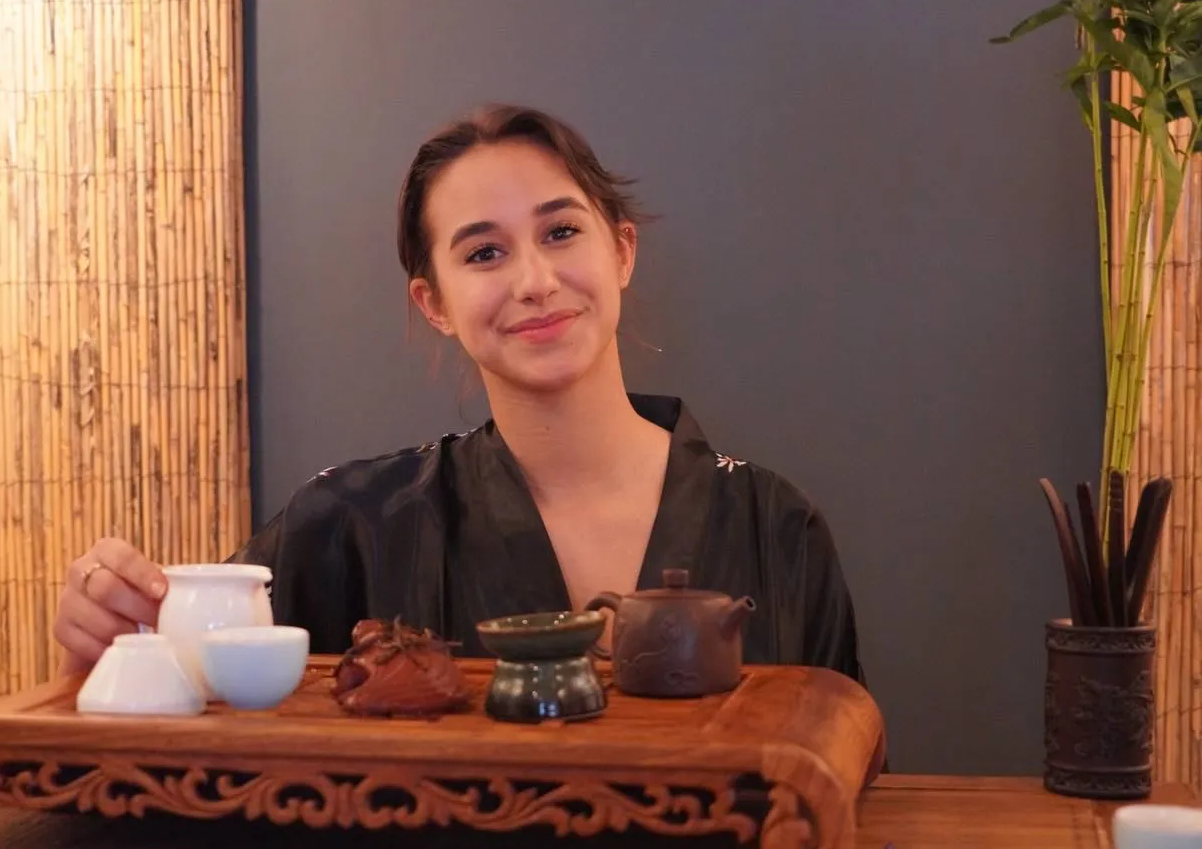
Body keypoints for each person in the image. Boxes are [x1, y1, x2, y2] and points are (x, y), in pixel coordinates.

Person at [52, 103, 870, 693]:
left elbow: (846, 778)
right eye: (483, 252)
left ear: (621, 250)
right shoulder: (347, 526)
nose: (535, 281)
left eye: (560, 232)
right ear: (433, 302)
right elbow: (185, 711)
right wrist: (110, 631)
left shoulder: (774, 525)